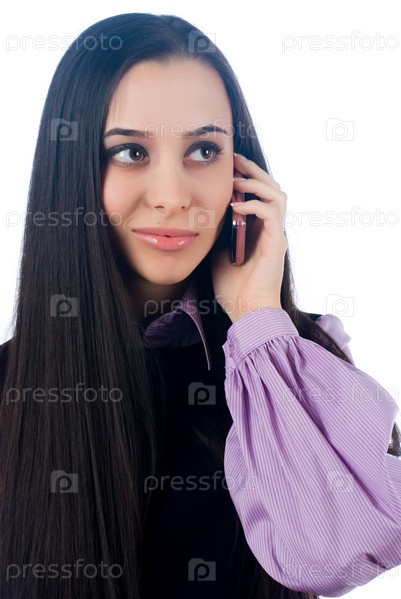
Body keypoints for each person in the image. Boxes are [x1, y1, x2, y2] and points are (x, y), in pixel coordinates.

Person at [0, 12, 400, 599]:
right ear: (73, 171)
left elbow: (338, 554)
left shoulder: (292, 361)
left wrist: (256, 315)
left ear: (243, 175)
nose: (173, 196)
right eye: (130, 151)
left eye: (204, 149)